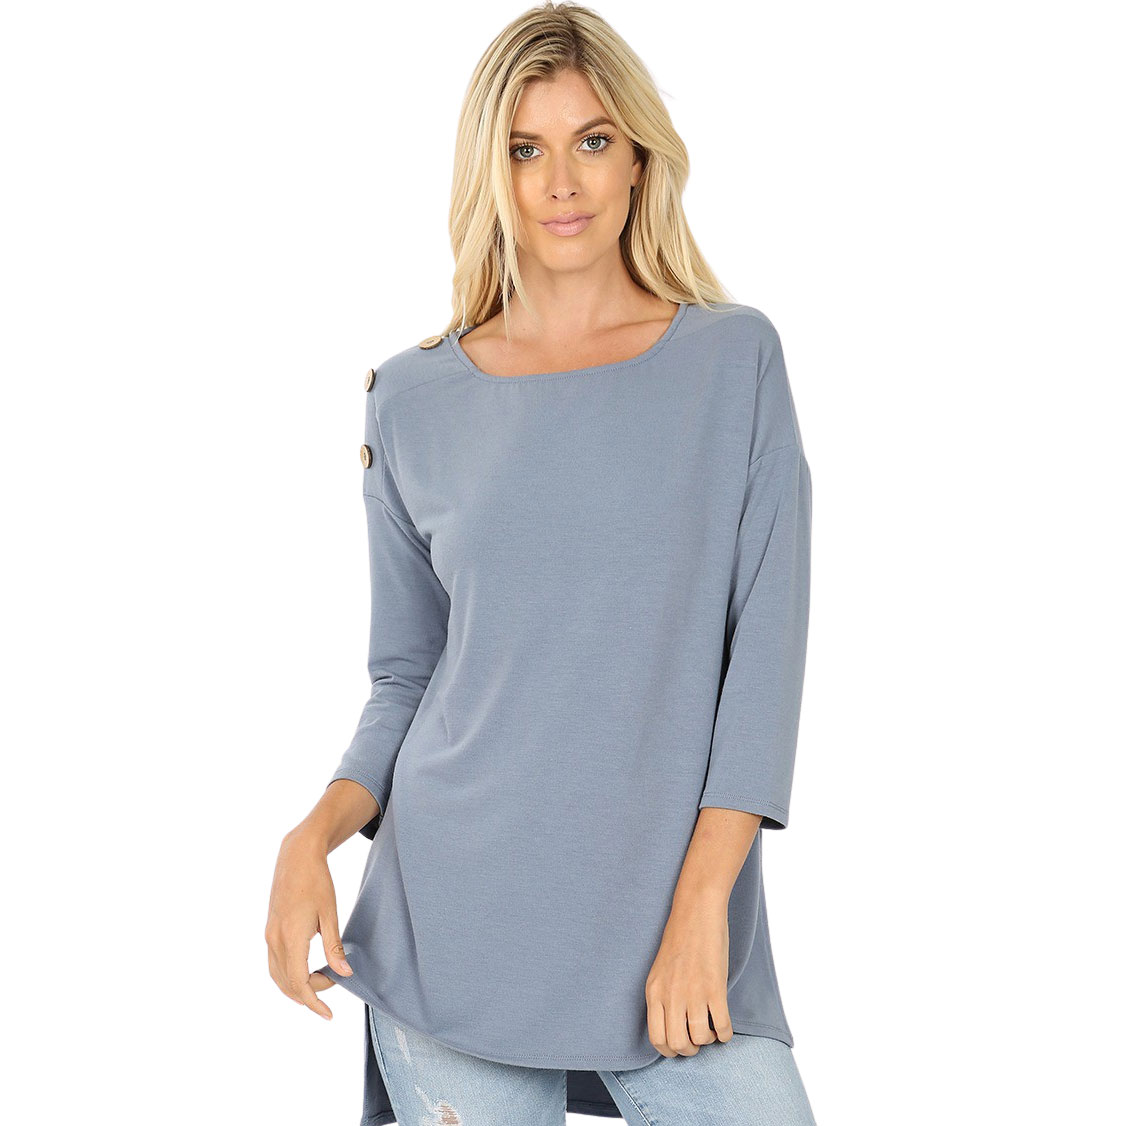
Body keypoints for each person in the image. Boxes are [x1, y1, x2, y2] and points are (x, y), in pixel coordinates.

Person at [265, 4, 817, 1123]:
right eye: (525, 148)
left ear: (639, 159)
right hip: (453, 933)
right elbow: (407, 676)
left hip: (674, 928)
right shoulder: (411, 398)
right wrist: (311, 833)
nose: (561, 182)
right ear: (492, 171)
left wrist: (703, 905)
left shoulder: (733, 361)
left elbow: (761, 666)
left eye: (592, 141)